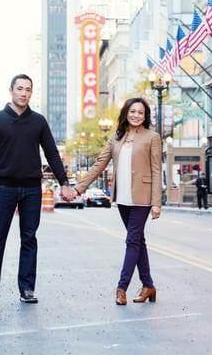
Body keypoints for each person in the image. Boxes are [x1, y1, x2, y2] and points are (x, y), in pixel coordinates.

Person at [0, 74, 75, 304]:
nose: (23, 93)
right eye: (19, 88)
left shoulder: (38, 121)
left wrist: (64, 182)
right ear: (11, 90)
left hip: (32, 189)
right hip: (4, 188)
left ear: (31, 93)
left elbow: (51, 153)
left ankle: (27, 288)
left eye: (28, 89)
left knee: (29, 239)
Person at [65, 97, 162, 306]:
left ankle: (122, 287)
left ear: (145, 117)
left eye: (140, 113)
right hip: (123, 197)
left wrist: (157, 202)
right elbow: (99, 165)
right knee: (137, 241)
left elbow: (156, 169)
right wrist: (79, 188)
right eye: (132, 111)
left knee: (132, 240)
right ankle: (148, 285)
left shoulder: (152, 137)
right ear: (126, 113)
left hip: (143, 197)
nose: (136, 115)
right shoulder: (116, 138)